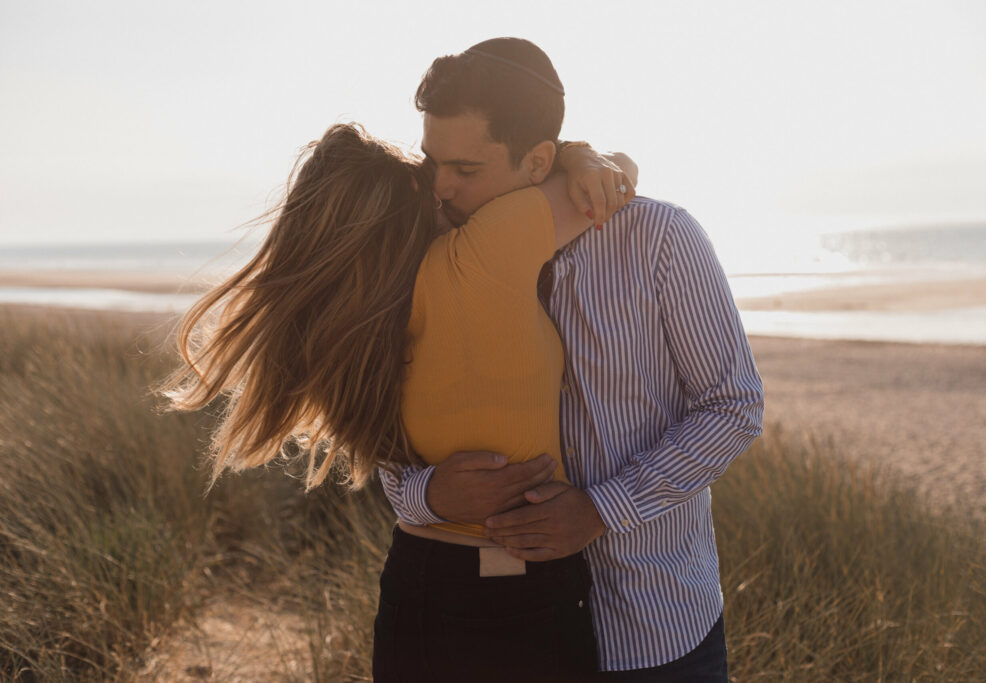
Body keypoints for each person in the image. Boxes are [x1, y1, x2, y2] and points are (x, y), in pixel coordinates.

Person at [160, 120, 636, 681]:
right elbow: (615, 180)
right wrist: (581, 155)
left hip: (415, 580)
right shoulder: (478, 258)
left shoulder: (348, 326)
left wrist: (429, 495)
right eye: (438, 180)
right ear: (415, 198)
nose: (451, 193)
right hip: (516, 594)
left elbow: (393, 461)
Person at [381, 37, 764, 681]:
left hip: (654, 626)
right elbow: (388, 427)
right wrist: (426, 494)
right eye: (431, 162)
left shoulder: (658, 239)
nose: (440, 188)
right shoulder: (416, 253)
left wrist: (600, 509)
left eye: (467, 170)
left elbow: (732, 407)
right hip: (495, 632)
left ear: (537, 161)